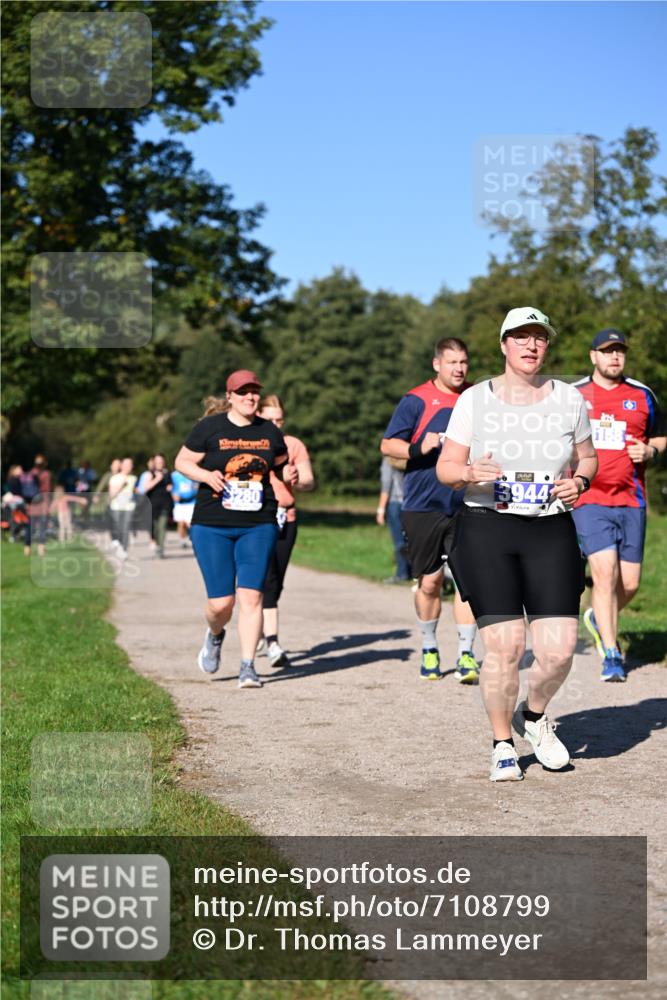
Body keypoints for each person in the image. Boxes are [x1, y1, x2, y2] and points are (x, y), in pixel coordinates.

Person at [437, 306, 597, 782]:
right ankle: (502, 744)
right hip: (488, 528)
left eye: (539, 337)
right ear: (504, 344)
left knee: (559, 650)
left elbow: (588, 458)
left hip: (550, 528)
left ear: (547, 346)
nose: (531, 345)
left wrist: (580, 482)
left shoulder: (569, 399)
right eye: (521, 337)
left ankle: (534, 714)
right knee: (505, 647)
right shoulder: (475, 400)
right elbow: (446, 468)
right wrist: (468, 472)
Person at [174, 370, 297, 689]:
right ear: (229, 396)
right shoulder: (209, 428)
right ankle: (215, 634)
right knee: (221, 603)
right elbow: (182, 462)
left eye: (254, 391)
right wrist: (205, 476)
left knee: (252, 596)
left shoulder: (269, 431)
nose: (250, 397)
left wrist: (288, 475)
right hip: (212, 524)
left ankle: (247, 666)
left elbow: (280, 465)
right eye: (243, 392)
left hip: (258, 524)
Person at [381, 337, 481, 684]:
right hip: (423, 503)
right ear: (437, 364)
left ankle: (466, 655)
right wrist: (417, 448)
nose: (459, 369)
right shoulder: (416, 400)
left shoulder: (477, 397)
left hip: (468, 502)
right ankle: (429, 647)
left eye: (464, 362)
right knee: (430, 581)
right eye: (452, 362)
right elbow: (387, 444)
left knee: (470, 580)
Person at [572, 329, 666, 682]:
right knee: (605, 572)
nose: (614, 357)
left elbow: (660, 434)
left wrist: (651, 450)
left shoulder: (642, 395)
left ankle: (599, 617)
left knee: (631, 582)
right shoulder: (574, 395)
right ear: (593, 356)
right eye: (607, 351)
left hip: (631, 499)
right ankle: (611, 654)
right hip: (589, 499)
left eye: (620, 351)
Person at [257, 393, 315, 667]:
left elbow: (309, 480)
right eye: (270, 419)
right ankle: (273, 643)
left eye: (279, 420)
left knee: (276, 581)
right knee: (267, 580)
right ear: (259, 416)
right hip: (258, 518)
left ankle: (259, 625)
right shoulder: (252, 443)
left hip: (286, 517)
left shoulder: (293, 445)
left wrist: (297, 480)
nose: (275, 425)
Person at [376, 457, 411, 583]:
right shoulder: (409, 459)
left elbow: (386, 486)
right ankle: (412, 571)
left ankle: (401, 573)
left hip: (395, 503)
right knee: (409, 540)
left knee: (399, 541)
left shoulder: (388, 461)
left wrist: (380, 510)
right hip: (410, 503)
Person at [143, 453, 173, 558]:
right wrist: (157, 479)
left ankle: (161, 549)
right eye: (157, 461)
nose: (160, 463)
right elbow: (146, 487)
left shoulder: (168, 473)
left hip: (165, 503)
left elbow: (171, 486)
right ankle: (156, 544)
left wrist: (171, 487)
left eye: (161, 461)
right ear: (154, 462)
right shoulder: (150, 474)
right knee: (155, 528)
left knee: (162, 526)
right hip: (152, 504)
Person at [108, 457, 137, 557]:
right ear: (122, 466)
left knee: (125, 528)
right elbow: (111, 495)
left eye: (130, 465)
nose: (129, 467)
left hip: (129, 507)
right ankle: (119, 544)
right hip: (116, 507)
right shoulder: (115, 478)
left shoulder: (134, 478)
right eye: (126, 465)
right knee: (118, 528)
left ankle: (124, 549)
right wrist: (122, 485)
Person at [26, 455, 53, 558]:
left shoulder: (30, 473)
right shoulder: (46, 474)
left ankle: (27, 549)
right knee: (42, 527)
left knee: (30, 528)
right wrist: (48, 505)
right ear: (44, 463)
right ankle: (41, 549)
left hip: (31, 503)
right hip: (42, 504)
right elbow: (47, 490)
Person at [171, 468, 198, 547]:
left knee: (190, 523)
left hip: (191, 502)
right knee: (181, 523)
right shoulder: (174, 475)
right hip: (179, 503)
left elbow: (197, 486)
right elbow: (171, 487)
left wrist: (195, 489)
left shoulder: (192, 472)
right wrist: (173, 494)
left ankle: (193, 539)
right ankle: (182, 540)